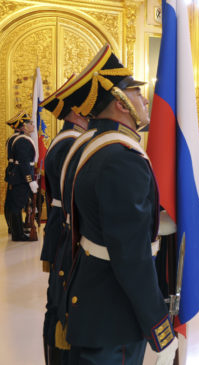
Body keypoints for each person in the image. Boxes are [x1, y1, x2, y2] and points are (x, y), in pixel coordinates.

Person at [58, 45, 177, 364]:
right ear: (120, 103)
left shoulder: (90, 145)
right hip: (114, 313)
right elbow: (131, 257)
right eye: (137, 93)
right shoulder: (121, 160)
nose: (145, 99)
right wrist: (159, 325)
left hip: (93, 296)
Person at [39, 84, 89, 365]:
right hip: (65, 224)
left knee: (57, 298)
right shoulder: (73, 142)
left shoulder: (63, 139)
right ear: (76, 112)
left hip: (59, 221)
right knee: (61, 301)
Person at [4, 111, 37, 241]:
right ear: (23, 126)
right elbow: (23, 163)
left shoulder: (15, 138)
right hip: (21, 177)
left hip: (15, 175)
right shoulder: (23, 140)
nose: (32, 125)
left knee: (13, 203)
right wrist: (30, 181)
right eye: (30, 123)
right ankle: (18, 234)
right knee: (17, 205)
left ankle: (14, 228)